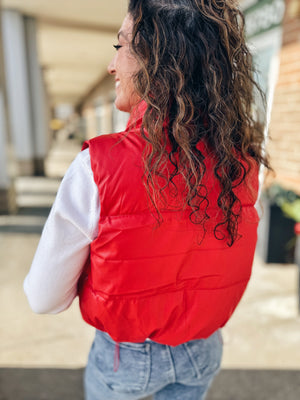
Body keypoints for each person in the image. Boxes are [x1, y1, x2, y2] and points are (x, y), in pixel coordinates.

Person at [24, 1, 270, 399]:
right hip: (204, 348)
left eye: (120, 48)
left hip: (127, 357)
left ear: (155, 62)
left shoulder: (98, 165)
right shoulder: (241, 161)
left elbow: (43, 298)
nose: (112, 66)